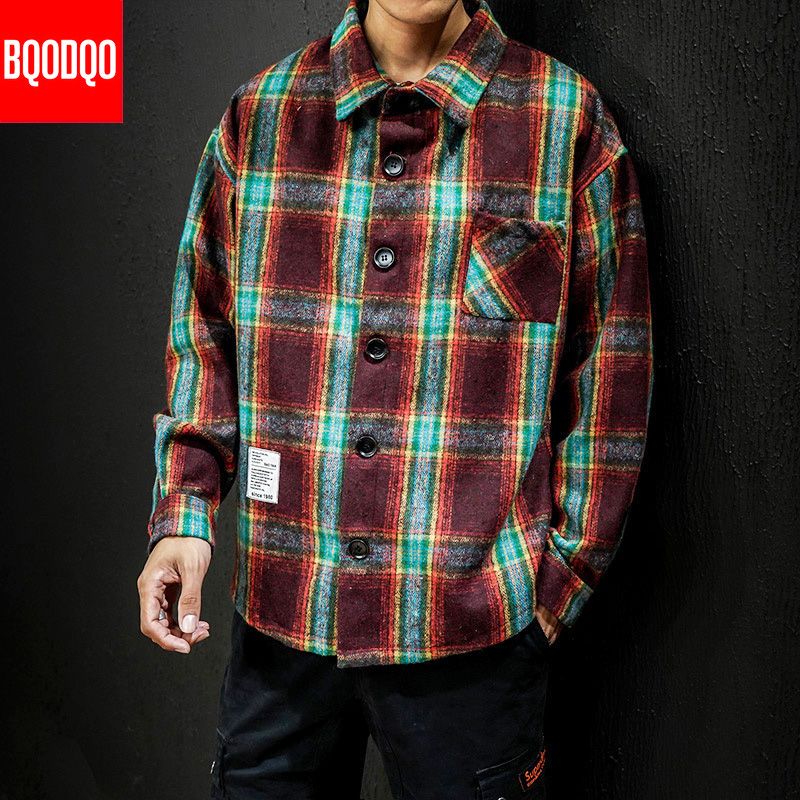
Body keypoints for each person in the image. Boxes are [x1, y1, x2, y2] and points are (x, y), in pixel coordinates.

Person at [136, 0, 654, 796]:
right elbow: (203, 327)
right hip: (283, 616)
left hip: (471, 640)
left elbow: (613, 370)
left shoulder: (564, 121)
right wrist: (185, 512)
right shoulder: (262, 117)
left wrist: (556, 587)